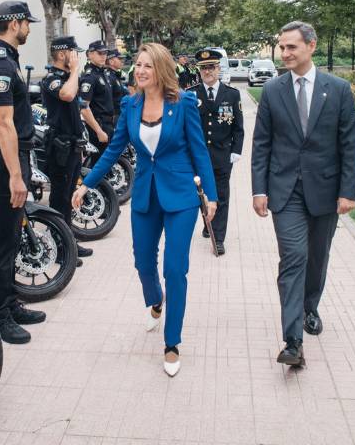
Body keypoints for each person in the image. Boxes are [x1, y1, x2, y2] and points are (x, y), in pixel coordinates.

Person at [71, 43, 217, 377]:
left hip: (180, 198)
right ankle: (155, 301)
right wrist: (87, 183)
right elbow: (113, 150)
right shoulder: (131, 104)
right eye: (137, 64)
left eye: (148, 66)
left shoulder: (183, 105)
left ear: (162, 69)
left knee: (175, 269)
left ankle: (172, 343)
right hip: (145, 196)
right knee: (142, 261)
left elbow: (200, 152)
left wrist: (211, 195)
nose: (140, 70)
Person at [251, 21, 355, 367]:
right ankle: (293, 340)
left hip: (326, 191)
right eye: (282, 47)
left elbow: (349, 145)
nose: (284, 53)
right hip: (285, 193)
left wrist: (348, 191)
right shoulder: (272, 90)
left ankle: (310, 305)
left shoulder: (338, 89)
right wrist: (259, 189)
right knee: (293, 257)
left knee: (317, 257)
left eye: (291, 47)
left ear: (311, 46)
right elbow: (262, 145)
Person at [0, 0, 46, 344]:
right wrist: (15, 175)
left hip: (12, 155)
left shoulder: (8, 60)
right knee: (3, 241)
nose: (29, 28)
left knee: (14, 234)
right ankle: (0, 315)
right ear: (15, 23)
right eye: (27, 23)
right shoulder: (0, 64)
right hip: (4, 158)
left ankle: (10, 302)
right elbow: (4, 124)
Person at [41, 36, 94, 261]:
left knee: (69, 197)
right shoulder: (52, 79)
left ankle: (69, 241)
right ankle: (60, 248)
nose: (77, 57)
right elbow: (67, 95)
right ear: (62, 54)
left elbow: (75, 111)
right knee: (59, 198)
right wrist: (74, 71)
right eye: (74, 53)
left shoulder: (68, 77)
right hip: (59, 147)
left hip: (72, 145)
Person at [189, 49, 244, 255]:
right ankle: (207, 223)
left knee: (221, 196)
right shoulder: (191, 94)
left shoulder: (232, 94)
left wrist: (236, 150)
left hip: (222, 155)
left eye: (211, 67)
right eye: (204, 68)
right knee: (199, 196)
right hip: (197, 157)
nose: (207, 71)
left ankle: (218, 237)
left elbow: (238, 127)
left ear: (218, 68)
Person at [80, 40, 115, 165]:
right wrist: (99, 131)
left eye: (105, 53)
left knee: (106, 164)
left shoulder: (102, 73)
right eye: (100, 53)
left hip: (108, 123)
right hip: (98, 125)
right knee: (98, 164)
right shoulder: (89, 77)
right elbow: (84, 108)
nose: (103, 56)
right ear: (90, 54)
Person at [106, 49, 128, 125]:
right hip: (115, 116)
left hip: (122, 113)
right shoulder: (109, 77)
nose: (122, 61)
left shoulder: (115, 75)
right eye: (119, 59)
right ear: (111, 61)